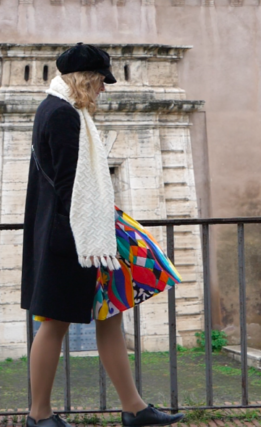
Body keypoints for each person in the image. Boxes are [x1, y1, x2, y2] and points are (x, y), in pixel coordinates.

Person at [21, 44, 185, 427]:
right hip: (72, 240)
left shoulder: (60, 110)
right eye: (99, 81)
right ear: (84, 79)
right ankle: (39, 415)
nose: (103, 90)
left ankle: (135, 408)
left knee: (110, 315)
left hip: (75, 236)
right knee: (54, 323)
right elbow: (68, 187)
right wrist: (89, 235)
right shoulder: (61, 115)